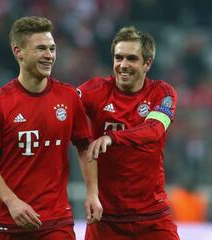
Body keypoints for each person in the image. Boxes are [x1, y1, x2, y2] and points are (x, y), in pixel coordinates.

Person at [0, 16, 102, 239]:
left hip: (55, 222)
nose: (49, 55)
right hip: (6, 222)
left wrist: (93, 193)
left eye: (52, 48)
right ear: (18, 52)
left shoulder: (68, 97)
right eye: (41, 48)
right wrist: (12, 201)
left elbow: (85, 147)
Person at [77, 26, 180, 239]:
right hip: (105, 218)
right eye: (118, 58)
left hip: (152, 217)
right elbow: (59, 107)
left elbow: (155, 129)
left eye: (131, 59)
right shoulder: (95, 90)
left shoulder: (163, 93)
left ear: (147, 64)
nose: (123, 65)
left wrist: (112, 137)